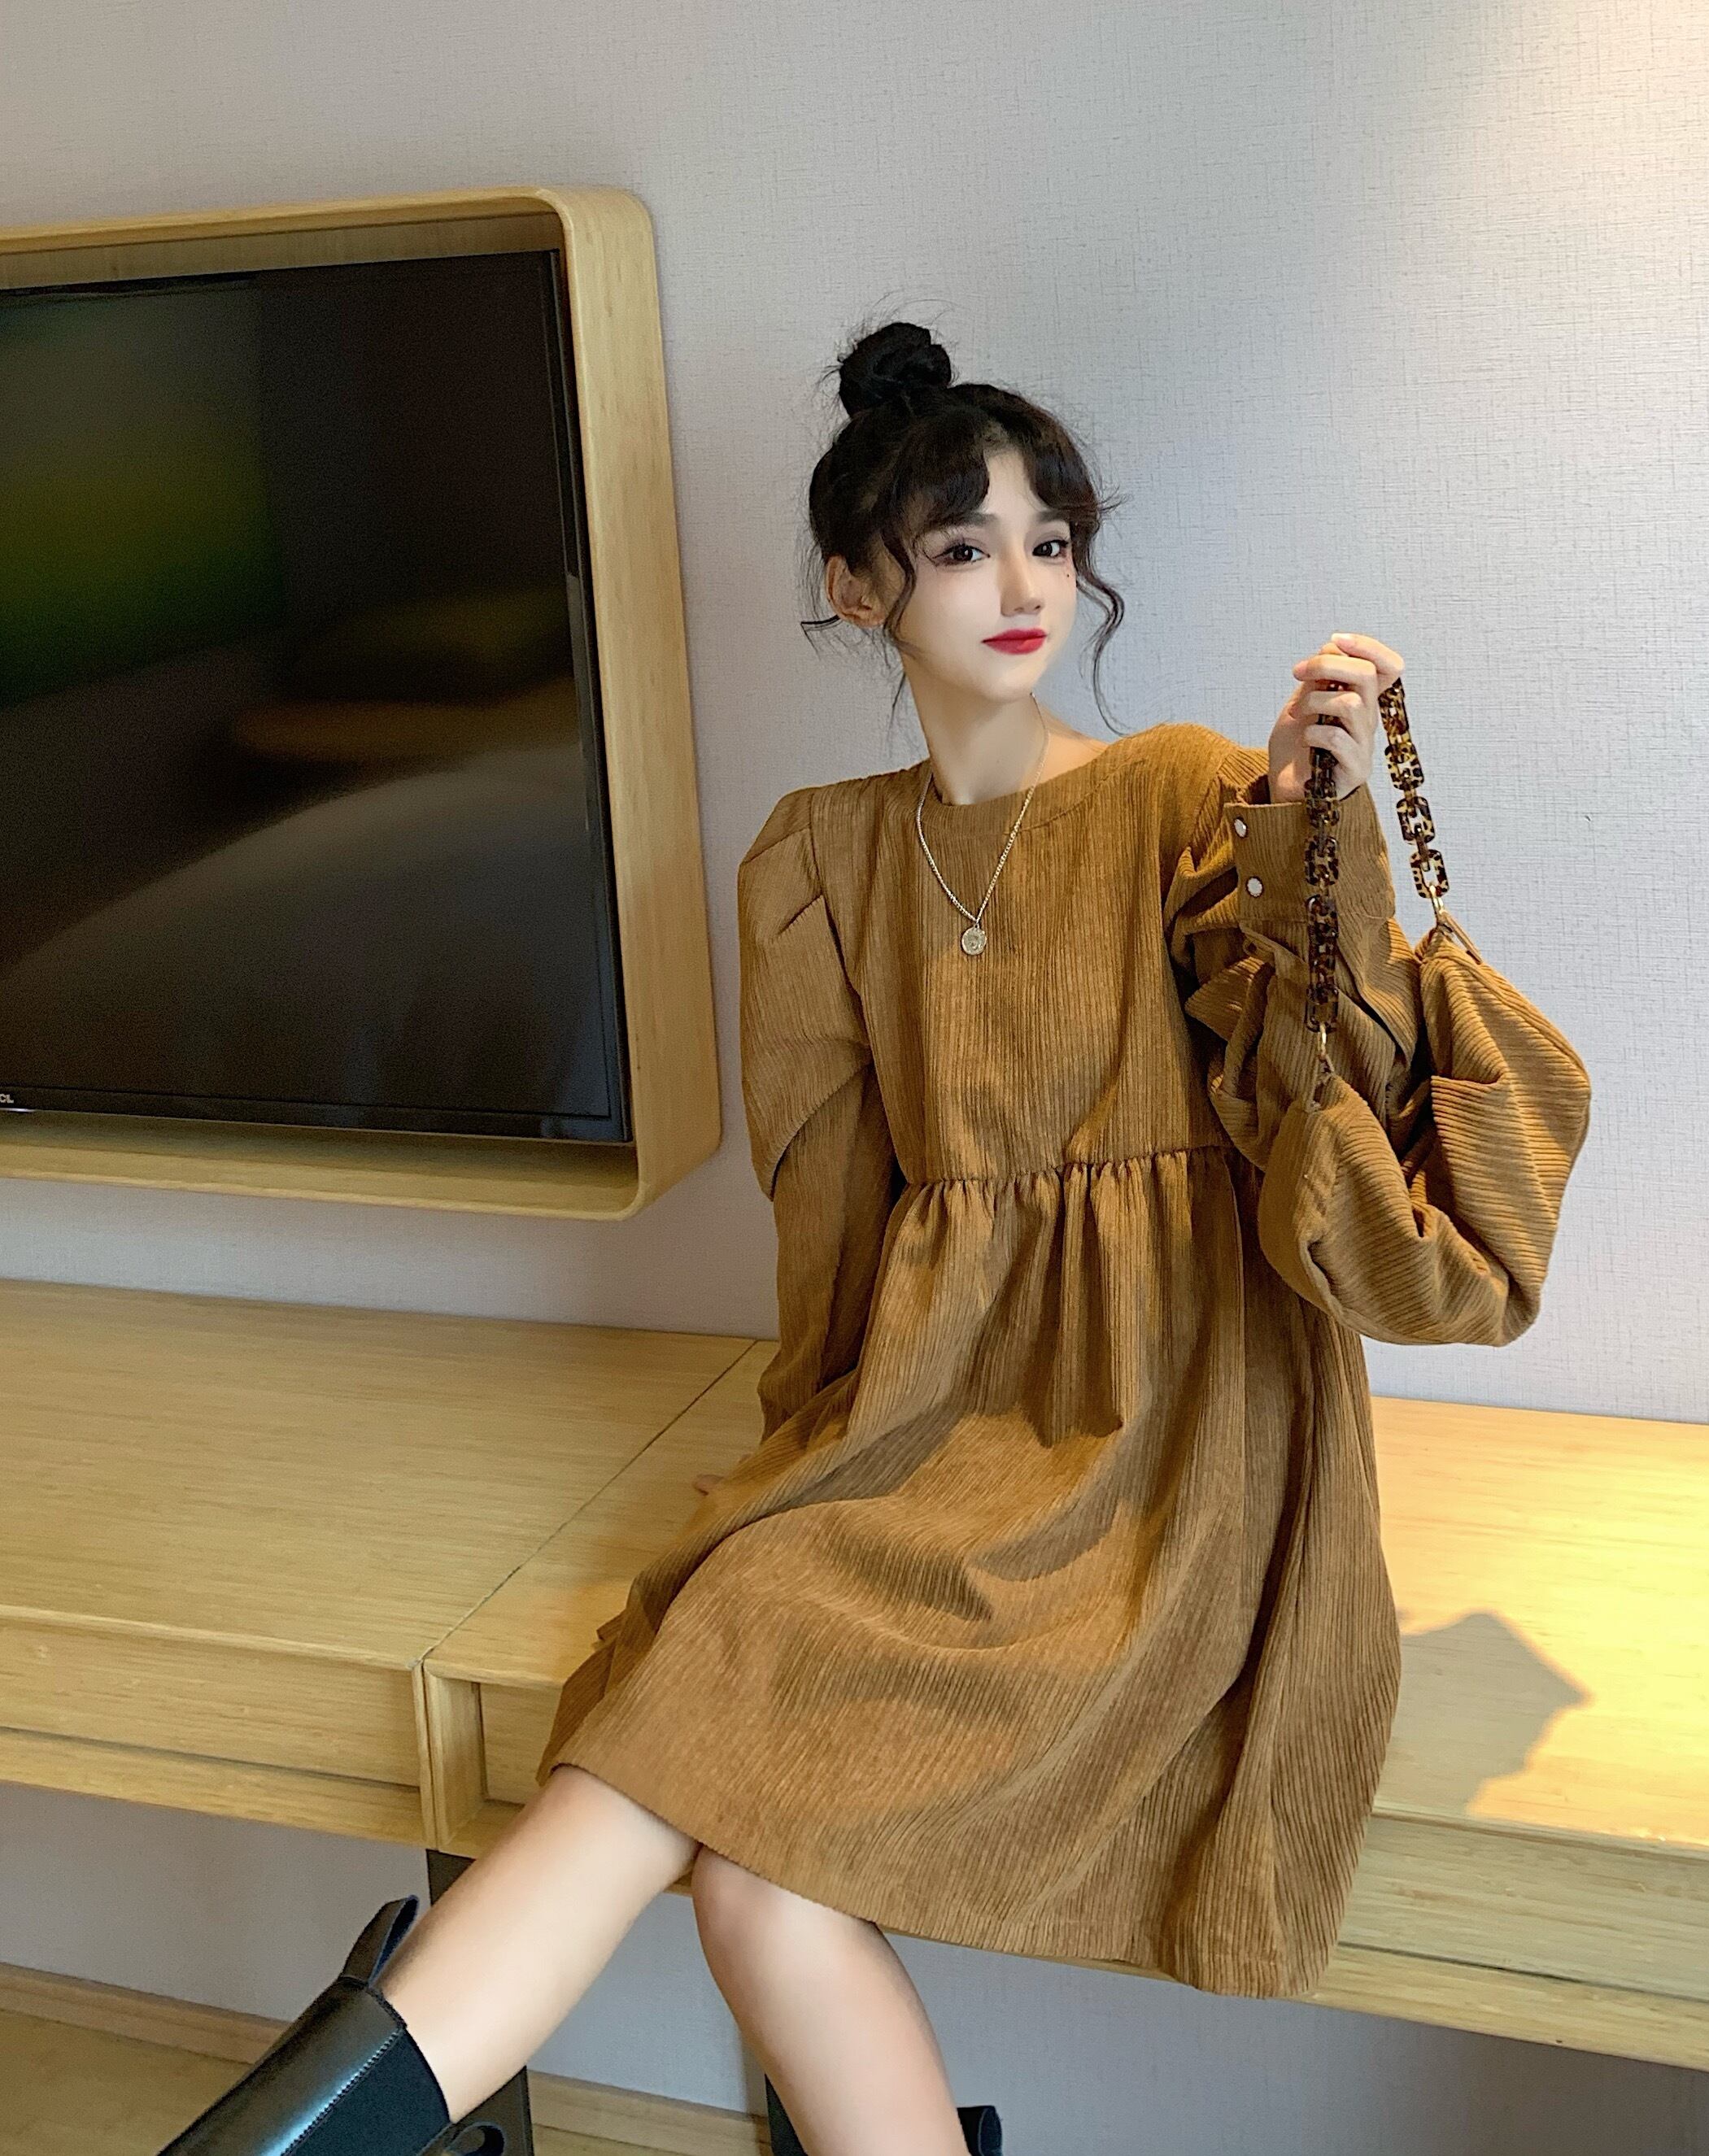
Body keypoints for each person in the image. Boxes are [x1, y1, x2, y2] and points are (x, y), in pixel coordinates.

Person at [155, 320, 1591, 2156]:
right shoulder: (820, 861)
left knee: (698, 1762)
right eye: (963, 547)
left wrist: (1308, 833)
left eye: (1050, 541)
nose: (1025, 587)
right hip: (930, 1432)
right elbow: (836, 1230)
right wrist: (814, 1475)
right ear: (858, 586)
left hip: (1170, 1458)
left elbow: (1319, 1103)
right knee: (741, 1818)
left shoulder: (1183, 793)